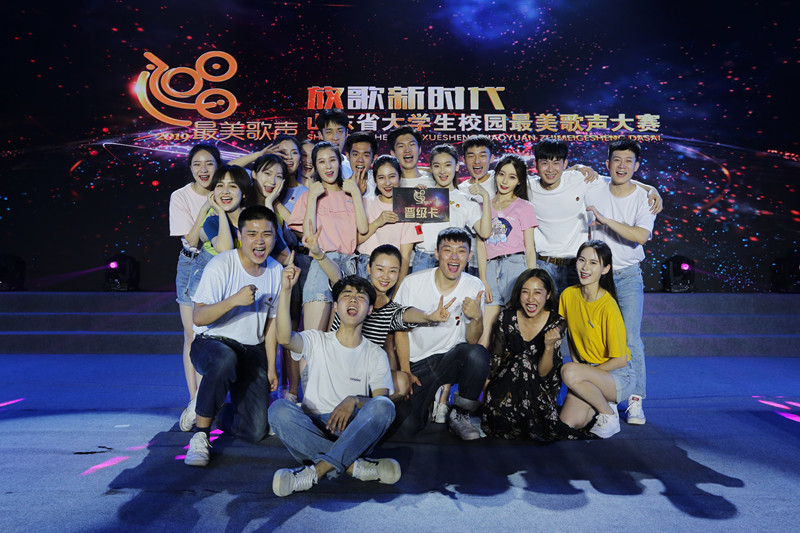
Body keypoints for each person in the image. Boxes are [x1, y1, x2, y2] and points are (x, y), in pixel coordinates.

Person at [270, 272, 400, 497]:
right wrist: (286, 290)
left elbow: (381, 402)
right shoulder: (316, 339)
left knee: (385, 406)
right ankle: (353, 466)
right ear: (337, 307)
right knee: (278, 409)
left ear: (370, 309)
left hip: (352, 430)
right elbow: (284, 338)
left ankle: (315, 471)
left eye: (360, 297)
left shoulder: (375, 353)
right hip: (311, 429)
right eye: (346, 295)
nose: (353, 299)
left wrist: (354, 400)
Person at [183, 206, 283, 466]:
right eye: (252, 234)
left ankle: (208, 405)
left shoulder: (276, 270)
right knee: (224, 359)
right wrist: (234, 301)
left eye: (266, 234)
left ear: (275, 236)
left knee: (255, 430)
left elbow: (271, 324)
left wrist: (271, 367)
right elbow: (199, 317)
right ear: (240, 235)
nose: (259, 241)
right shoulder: (222, 264)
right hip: (212, 343)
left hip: (251, 350)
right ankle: (200, 435)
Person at [303, 235, 453, 399]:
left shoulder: (391, 310)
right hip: (334, 367)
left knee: (402, 381)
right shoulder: (353, 293)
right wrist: (318, 254)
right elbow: (336, 275)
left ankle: (363, 404)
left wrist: (429, 316)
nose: (385, 276)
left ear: (399, 273)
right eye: (380, 269)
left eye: (393, 271)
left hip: (361, 376)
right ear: (369, 268)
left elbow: (407, 314)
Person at [527, 138, 662, 296]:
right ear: (536, 164)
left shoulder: (578, 180)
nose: (550, 169)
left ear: (565, 164)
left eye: (556, 163)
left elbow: (617, 180)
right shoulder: (528, 186)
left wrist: (651, 189)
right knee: (546, 311)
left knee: (577, 312)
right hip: (544, 264)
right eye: (544, 163)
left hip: (577, 266)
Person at [392, 227, 490, 440]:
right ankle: (427, 405)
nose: (454, 257)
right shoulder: (412, 283)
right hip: (419, 363)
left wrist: (477, 318)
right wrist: (406, 371)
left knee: (477, 354)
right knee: (405, 429)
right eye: (447, 250)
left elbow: (472, 340)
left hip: (451, 359)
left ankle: (460, 414)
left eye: (461, 251)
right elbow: (400, 330)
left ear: (469, 256)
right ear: (436, 254)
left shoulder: (474, 285)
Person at [585, 139, 657, 425]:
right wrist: (577, 165)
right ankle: (604, 397)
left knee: (630, 340)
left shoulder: (644, 198)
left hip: (627, 276)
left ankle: (636, 399)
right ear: (608, 164)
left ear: (636, 166)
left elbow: (641, 236)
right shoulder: (595, 187)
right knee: (598, 338)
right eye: (617, 160)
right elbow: (573, 173)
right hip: (597, 278)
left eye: (629, 161)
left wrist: (606, 221)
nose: (622, 166)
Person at [482, 268, 583, 441]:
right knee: (519, 361)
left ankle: (530, 422)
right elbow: (495, 363)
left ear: (548, 295)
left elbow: (544, 373)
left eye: (537, 293)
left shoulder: (556, 323)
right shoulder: (506, 317)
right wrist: (484, 403)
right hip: (507, 390)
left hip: (539, 392)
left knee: (523, 361)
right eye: (525, 292)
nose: (530, 299)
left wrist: (549, 346)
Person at [287, 141, 369, 335]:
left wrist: (356, 193)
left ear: (340, 163)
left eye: (332, 160)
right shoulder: (308, 196)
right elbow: (308, 236)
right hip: (321, 263)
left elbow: (363, 229)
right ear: (315, 166)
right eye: (322, 162)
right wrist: (312, 197)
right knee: (314, 337)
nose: (328, 166)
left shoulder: (351, 192)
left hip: (349, 266)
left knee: (341, 339)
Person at [558, 240, 635, 439]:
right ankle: (600, 400)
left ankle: (608, 414)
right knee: (567, 423)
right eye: (581, 260)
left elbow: (620, 360)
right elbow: (571, 336)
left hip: (618, 376)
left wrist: (584, 374)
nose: (585, 267)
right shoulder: (568, 295)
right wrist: (582, 370)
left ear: (605, 269)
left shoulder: (608, 306)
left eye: (593, 263)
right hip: (587, 372)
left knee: (568, 371)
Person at [169, 144, 222, 405]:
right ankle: (194, 400)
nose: (204, 169)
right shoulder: (180, 196)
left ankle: (213, 397)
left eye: (209, 163)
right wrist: (204, 209)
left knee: (215, 334)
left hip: (220, 264)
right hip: (191, 264)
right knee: (191, 334)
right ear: (190, 167)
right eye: (197, 164)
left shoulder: (226, 190)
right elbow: (192, 241)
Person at [477, 154, 538, 348]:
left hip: (516, 266)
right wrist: (483, 279)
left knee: (515, 327)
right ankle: (483, 367)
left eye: (512, 177)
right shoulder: (483, 205)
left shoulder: (525, 207)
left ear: (519, 181)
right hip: (490, 268)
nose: (505, 181)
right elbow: (480, 245)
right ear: (495, 175)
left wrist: (532, 279)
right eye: (501, 174)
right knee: (486, 331)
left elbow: (530, 248)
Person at [354, 155, 423, 286]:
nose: (387, 183)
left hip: (392, 271)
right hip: (364, 267)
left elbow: (405, 255)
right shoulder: (365, 203)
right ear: (375, 180)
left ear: (399, 177)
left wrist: (397, 291)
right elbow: (353, 241)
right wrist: (377, 222)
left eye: (392, 176)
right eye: (381, 177)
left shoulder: (407, 207)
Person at [315, 109, 352, 178]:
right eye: (329, 132)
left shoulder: (352, 166)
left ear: (346, 133)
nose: (335, 138)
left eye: (340, 131)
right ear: (320, 135)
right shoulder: (313, 168)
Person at [343, 131, 378, 198]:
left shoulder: (382, 183)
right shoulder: (341, 187)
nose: (360, 160)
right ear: (348, 156)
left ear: (374, 158)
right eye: (355, 154)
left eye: (366, 155)